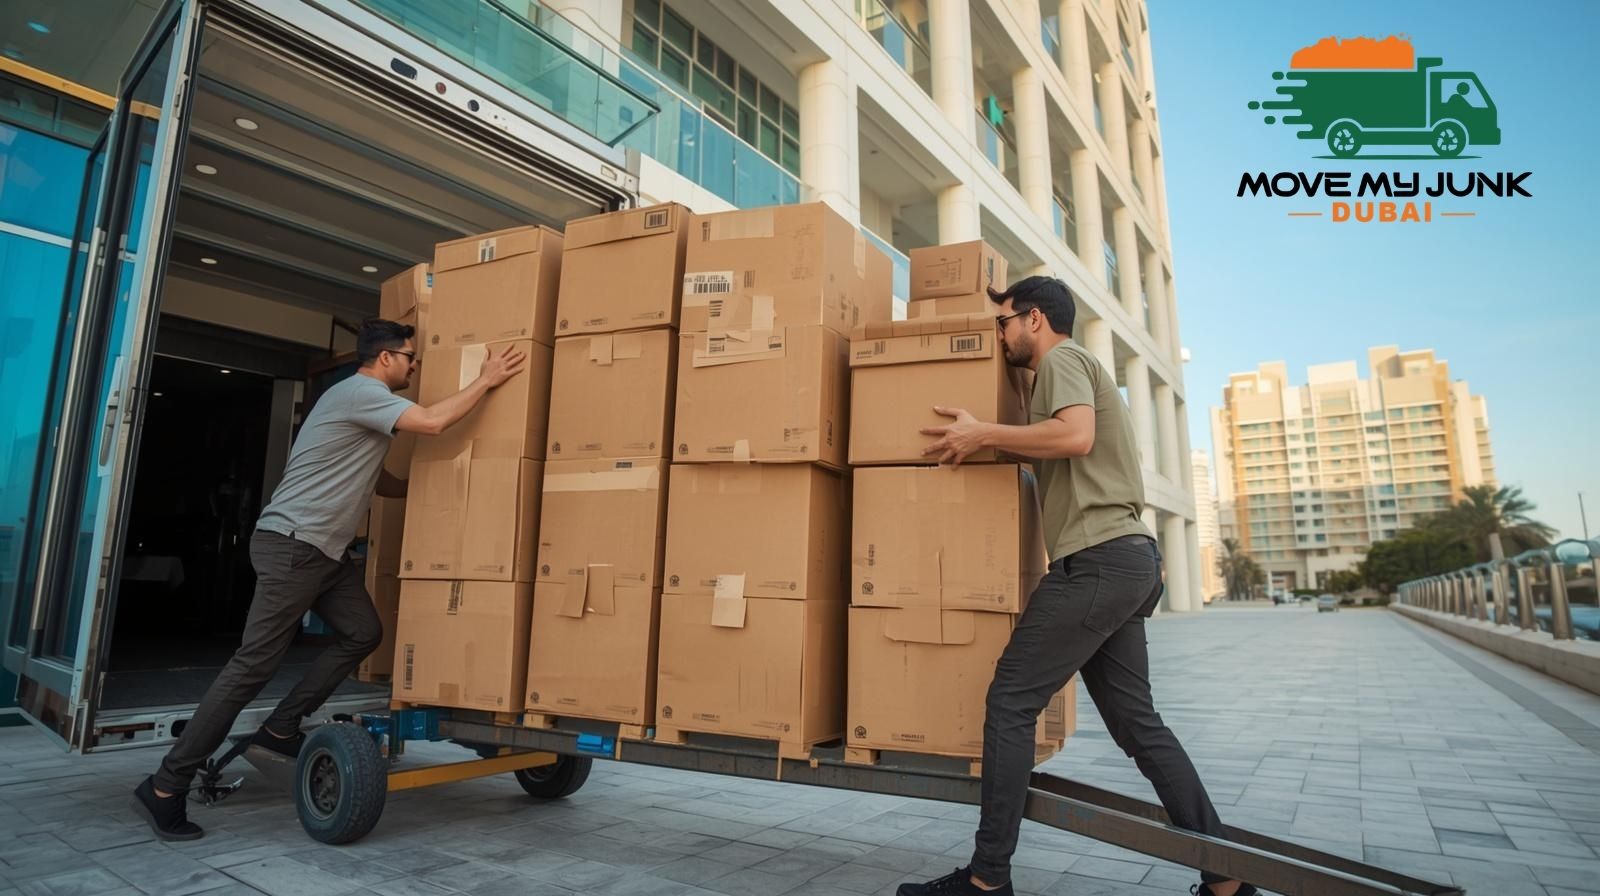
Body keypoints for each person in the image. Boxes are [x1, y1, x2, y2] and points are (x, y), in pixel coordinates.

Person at [900, 277, 1254, 896]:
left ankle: (987, 881)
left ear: (1034, 319)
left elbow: (1075, 437)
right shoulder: (1067, 374)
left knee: (1010, 703)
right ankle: (1226, 883)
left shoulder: (1061, 359)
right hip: (1124, 560)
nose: (1000, 333)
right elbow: (1063, 453)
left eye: (1004, 321)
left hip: (1096, 563)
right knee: (1138, 725)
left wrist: (983, 432)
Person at [130, 318, 526, 841]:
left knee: (364, 632)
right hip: (295, 545)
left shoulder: (357, 405)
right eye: (411, 357)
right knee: (251, 669)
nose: (414, 366)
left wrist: (440, 489)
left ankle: (280, 726)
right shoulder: (361, 392)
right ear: (385, 359)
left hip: (323, 553)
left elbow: (376, 475)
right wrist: (486, 379)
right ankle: (165, 784)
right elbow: (431, 423)